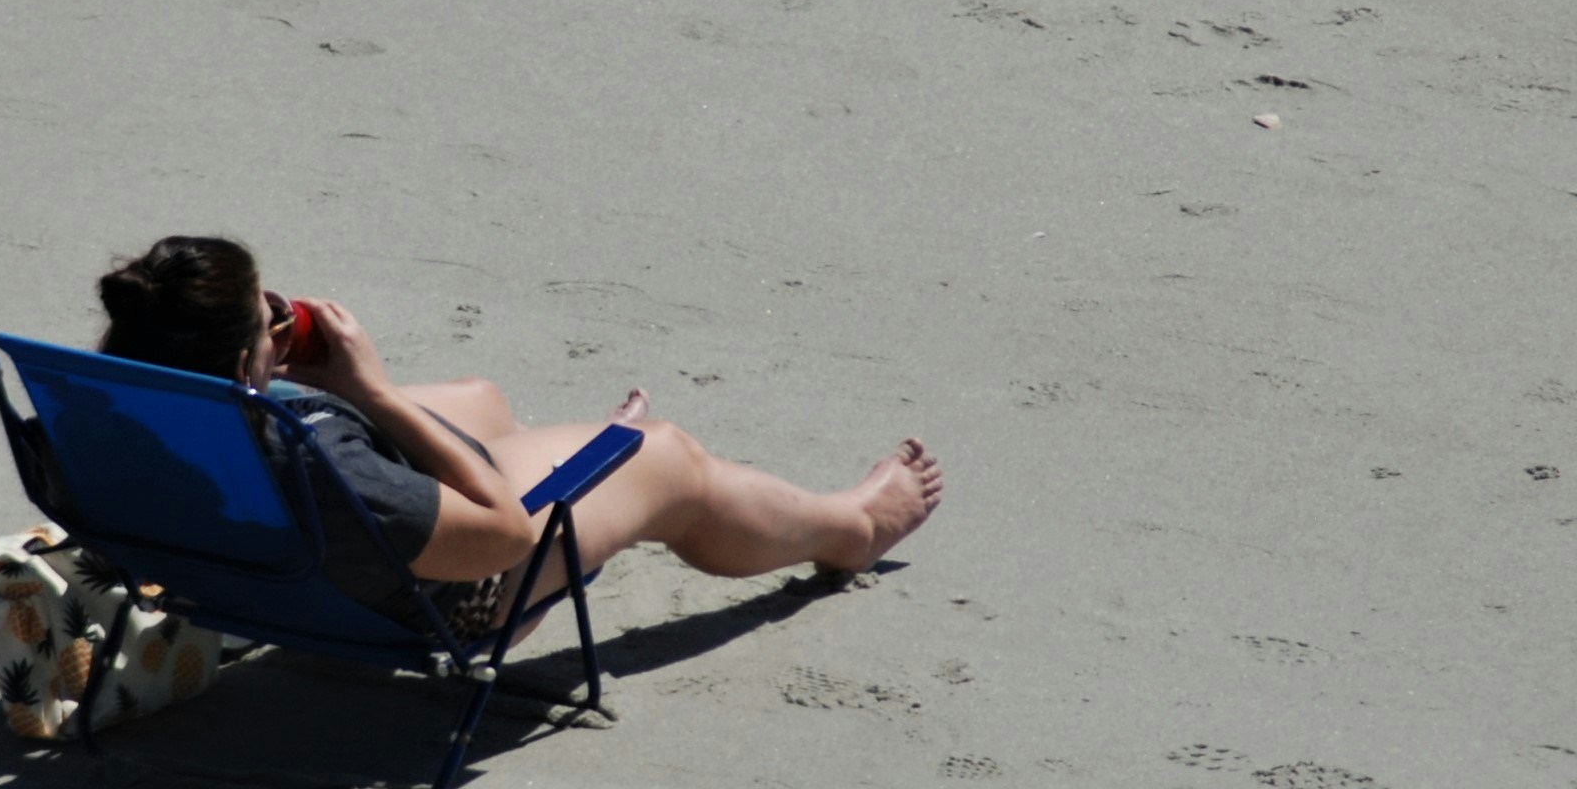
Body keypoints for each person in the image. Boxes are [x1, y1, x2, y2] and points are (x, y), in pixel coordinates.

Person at [92, 235, 941, 636]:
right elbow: (499, 537)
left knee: (480, 401)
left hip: (240, 566)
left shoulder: (113, 410)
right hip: (443, 597)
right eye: (268, 317)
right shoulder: (311, 458)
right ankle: (852, 529)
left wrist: (298, 384)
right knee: (666, 458)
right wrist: (368, 389)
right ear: (247, 361)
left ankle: (577, 457)